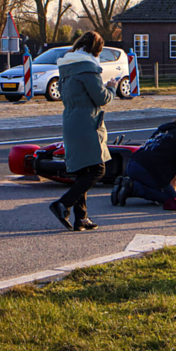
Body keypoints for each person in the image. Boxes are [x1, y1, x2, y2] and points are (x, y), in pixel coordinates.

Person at [48, 31, 119, 232]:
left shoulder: (66, 67)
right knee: (98, 169)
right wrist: (112, 88)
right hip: (87, 122)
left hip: (70, 120)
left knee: (83, 170)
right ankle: (63, 204)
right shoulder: (88, 67)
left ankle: (82, 218)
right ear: (95, 49)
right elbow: (101, 98)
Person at [113, 111, 176, 210]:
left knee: (158, 185)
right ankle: (133, 188)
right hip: (148, 170)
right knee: (171, 198)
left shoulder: (163, 130)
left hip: (133, 163)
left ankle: (125, 185)